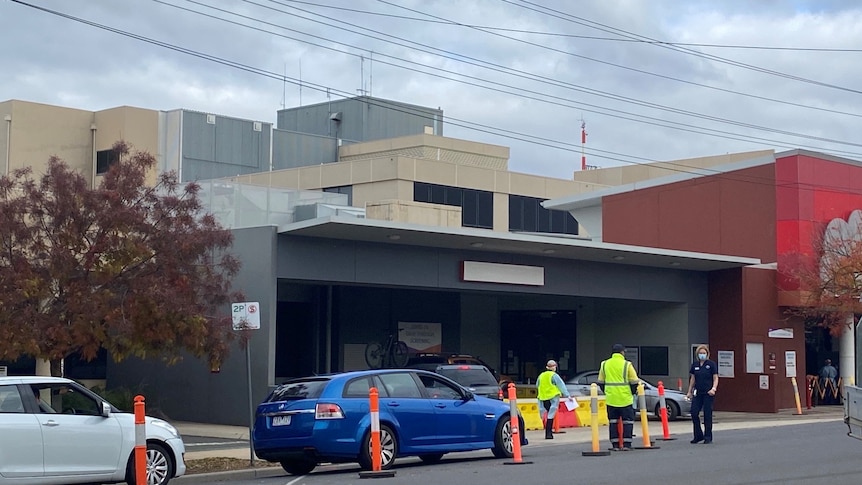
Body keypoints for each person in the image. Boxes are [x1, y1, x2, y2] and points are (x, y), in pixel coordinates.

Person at [597, 343, 639, 451]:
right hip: (625, 398)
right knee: (628, 422)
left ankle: (615, 445)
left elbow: (601, 382)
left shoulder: (604, 364)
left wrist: (608, 391)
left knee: (613, 422)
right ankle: (626, 444)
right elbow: (634, 381)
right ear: (622, 352)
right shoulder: (627, 364)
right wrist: (632, 392)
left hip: (611, 399)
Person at [687, 344, 719, 444]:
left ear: (707, 354)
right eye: (700, 353)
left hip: (708, 393)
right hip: (698, 392)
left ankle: (708, 436)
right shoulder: (695, 365)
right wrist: (689, 391)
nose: (702, 355)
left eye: (704, 353)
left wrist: (713, 388)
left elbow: (715, 377)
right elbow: (693, 378)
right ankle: (698, 435)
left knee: (707, 414)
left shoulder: (711, 364)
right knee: (694, 412)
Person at [536, 359, 574, 439]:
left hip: (542, 398)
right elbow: (561, 386)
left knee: (546, 415)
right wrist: (567, 396)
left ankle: (547, 433)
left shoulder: (541, 375)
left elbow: (537, 385)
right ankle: (549, 433)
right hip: (553, 397)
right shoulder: (554, 375)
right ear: (554, 367)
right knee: (551, 415)